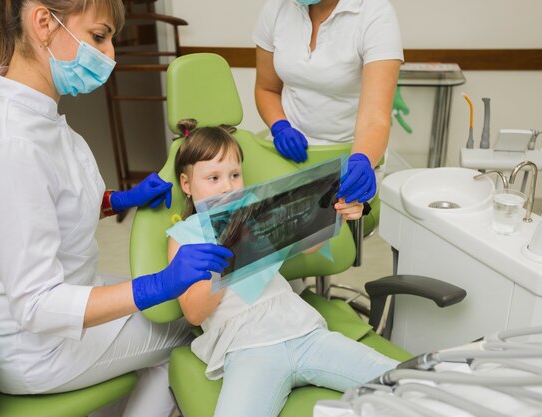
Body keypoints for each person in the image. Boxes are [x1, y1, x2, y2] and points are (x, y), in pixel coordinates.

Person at [0, 2, 231, 416]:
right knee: (192, 325)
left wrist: (118, 201)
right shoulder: (11, 144)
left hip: (50, 303)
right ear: (44, 23)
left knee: (173, 309)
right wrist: (155, 286)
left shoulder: (34, 115)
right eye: (99, 36)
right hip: (35, 342)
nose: (111, 54)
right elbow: (37, 304)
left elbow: (43, 210)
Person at [167, 119, 399, 417]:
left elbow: (310, 242)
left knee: (402, 381)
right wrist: (226, 250)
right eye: (213, 178)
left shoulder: (257, 212)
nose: (227, 186)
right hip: (248, 348)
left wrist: (339, 209)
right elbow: (195, 313)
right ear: (187, 184)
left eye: (235, 175)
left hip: (303, 330)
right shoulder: (185, 237)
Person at [253, 0, 403, 204]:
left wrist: (362, 159)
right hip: (287, 154)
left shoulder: (375, 14)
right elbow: (266, 89)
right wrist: (279, 126)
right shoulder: (277, 8)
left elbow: (375, 118)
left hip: (349, 158)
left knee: (330, 227)